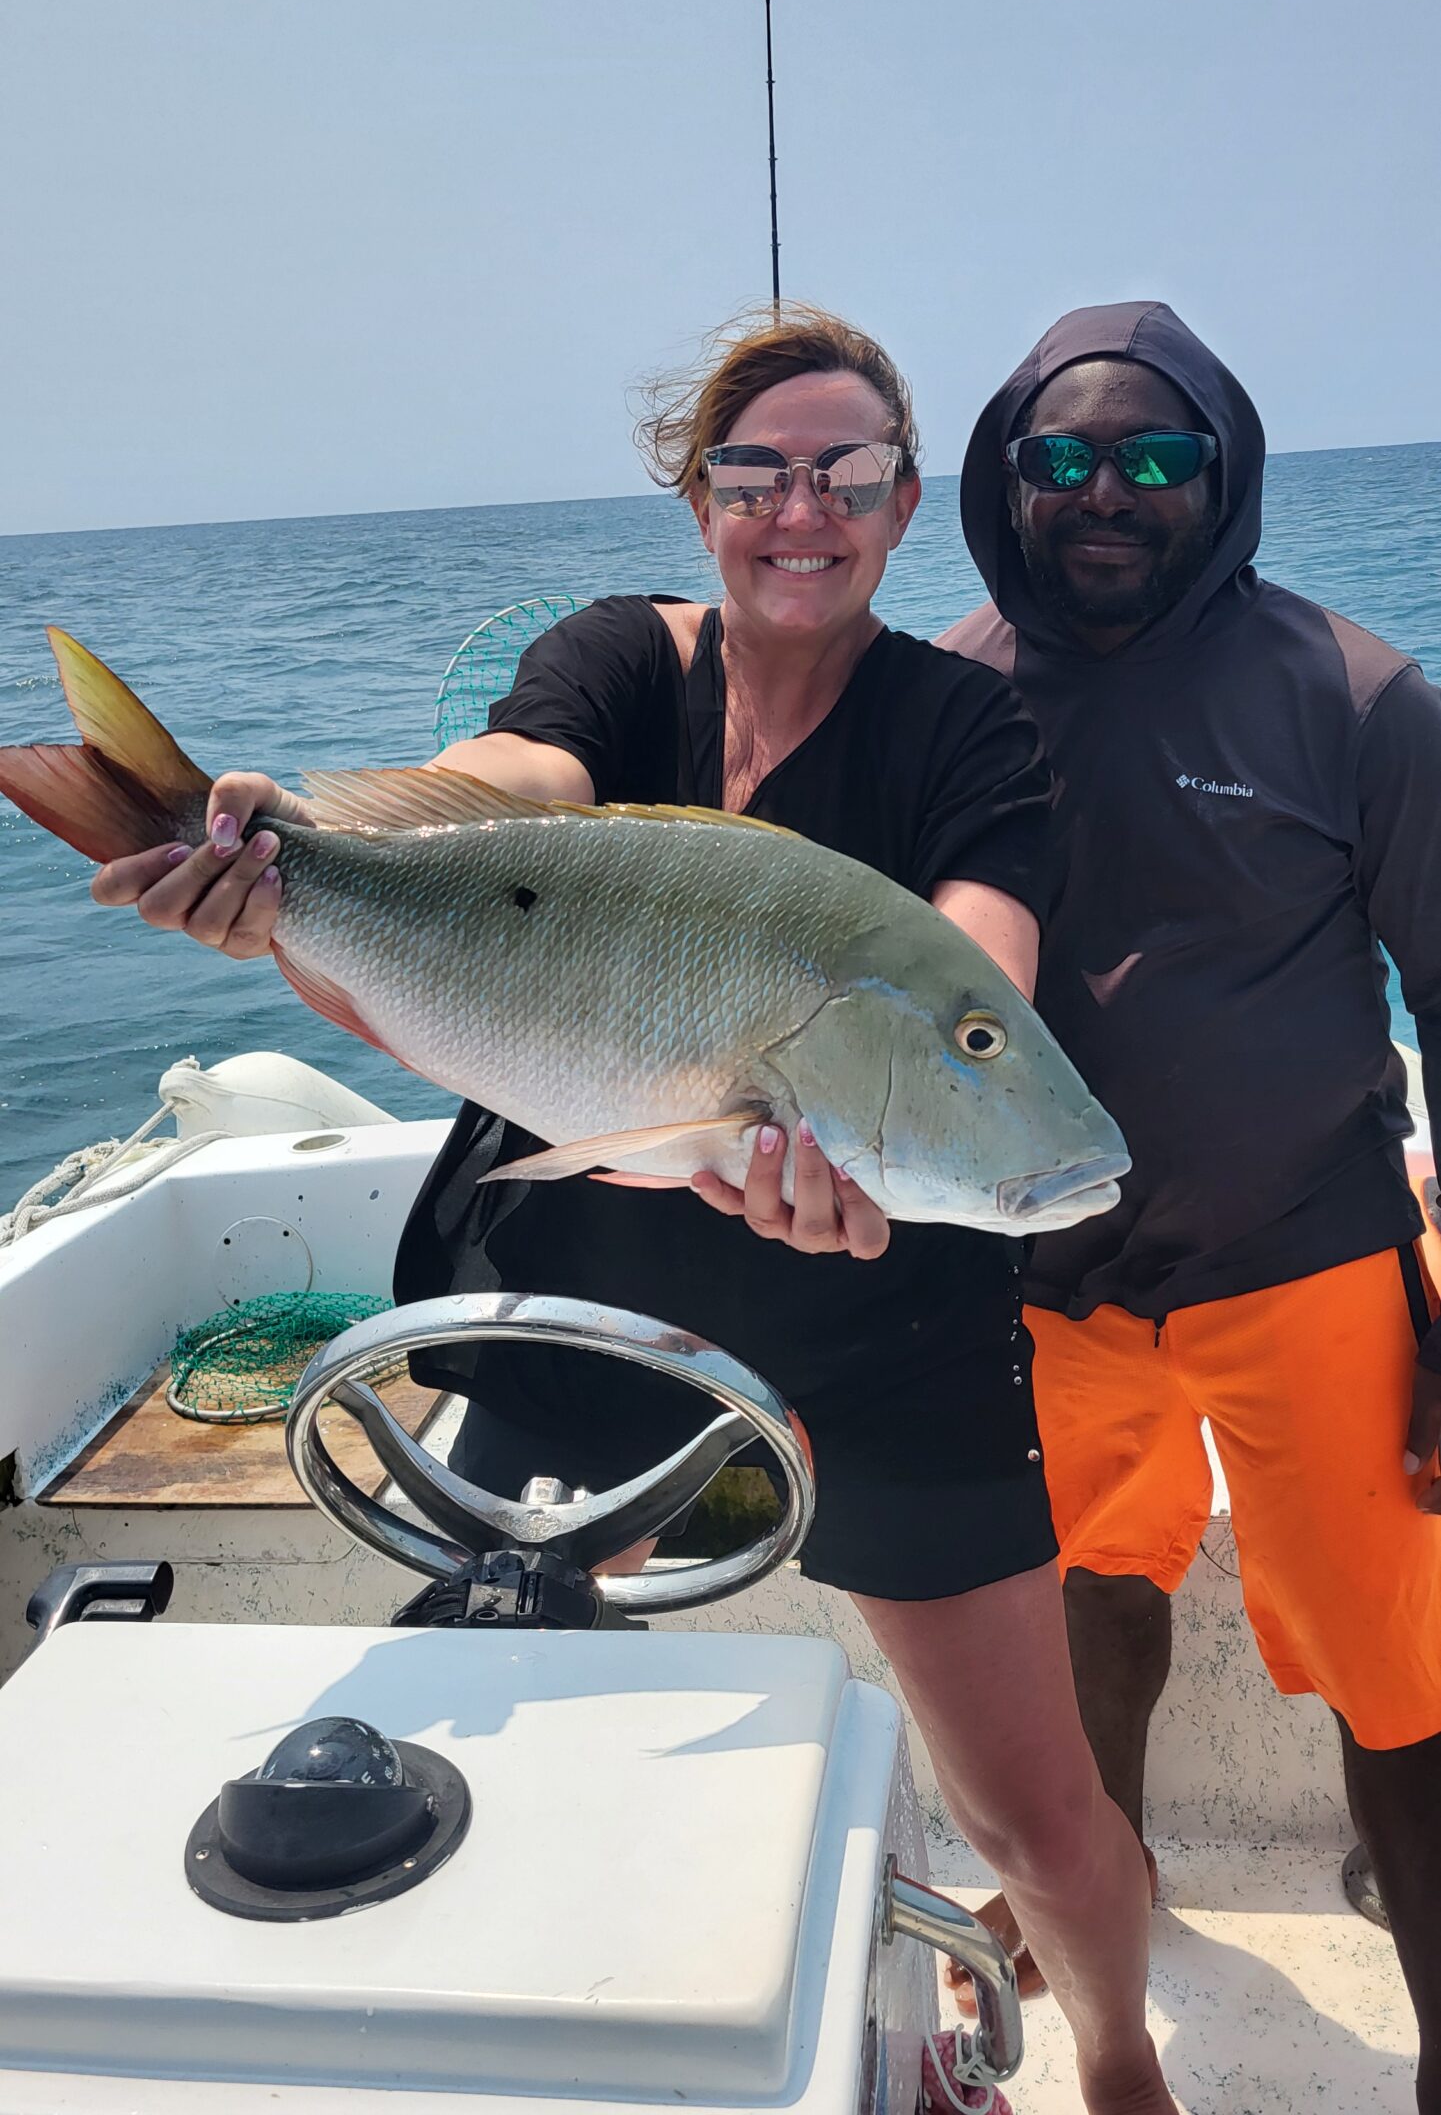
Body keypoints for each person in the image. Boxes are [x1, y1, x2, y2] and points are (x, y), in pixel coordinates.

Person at [92, 304, 1177, 2115]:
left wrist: (925, 1115)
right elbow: (506, 806)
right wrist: (285, 864)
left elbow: (971, 974)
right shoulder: (606, 663)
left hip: (884, 1329)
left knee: (1028, 1798)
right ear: (699, 500)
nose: (799, 505)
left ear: (904, 504)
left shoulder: (968, 727)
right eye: (754, 470)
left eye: (845, 470)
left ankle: (1123, 2065)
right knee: (489, 1717)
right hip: (577, 1300)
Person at [940, 300, 1441, 2113]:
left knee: (1397, 1676)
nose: (1105, 492)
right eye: (1061, 457)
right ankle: (1104, 1910)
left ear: (1218, 477)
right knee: (1090, 1591)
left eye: (1154, 457)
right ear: (1006, 476)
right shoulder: (945, 691)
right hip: (1043, 1277)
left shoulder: (1357, 695)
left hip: (1307, 1262)